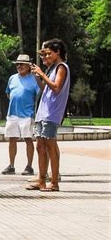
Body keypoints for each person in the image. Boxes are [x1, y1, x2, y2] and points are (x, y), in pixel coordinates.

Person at [27, 38, 70, 192]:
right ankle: (41, 180)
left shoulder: (61, 67)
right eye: (43, 55)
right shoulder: (51, 68)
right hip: (43, 112)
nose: (45, 57)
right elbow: (45, 87)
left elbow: (56, 88)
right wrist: (38, 76)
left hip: (52, 112)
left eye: (48, 54)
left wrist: (41, 74)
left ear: (57, 52)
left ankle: (54, 182)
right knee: (40, 146)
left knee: (50, 146)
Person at [1, 54, 40, 176]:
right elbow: (8, 93)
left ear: (29, 66)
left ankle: (29, 166)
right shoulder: (12, 78)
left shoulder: (34, 79)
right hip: (12, 114)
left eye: (22, 64)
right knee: (12, 139)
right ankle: (11, 166)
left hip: (27, 115)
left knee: (28, 139)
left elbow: (40, 96)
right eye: (17, 64)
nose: (19, 66)